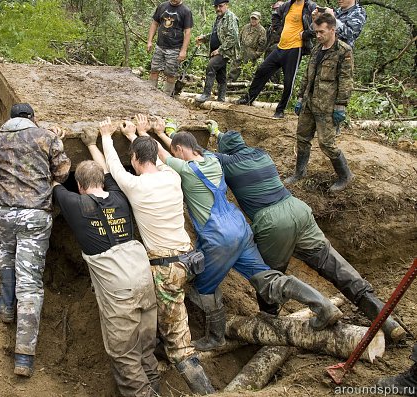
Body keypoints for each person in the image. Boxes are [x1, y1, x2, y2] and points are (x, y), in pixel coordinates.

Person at [150, 119, 343, 354]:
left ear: (180, 151)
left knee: (204, 287)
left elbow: (162, 154)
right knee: (267, 277)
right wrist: (166, 132)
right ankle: (322, 305)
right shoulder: (212, 160)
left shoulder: (188, 170)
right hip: (240, 229)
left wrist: (147, 134)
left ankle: (215, 337)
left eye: (177, 151)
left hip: (219, 237)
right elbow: (181, 149)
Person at [207, 123, 406, 342]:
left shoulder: (225, 161)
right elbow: (230, 142)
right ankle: (386, 320)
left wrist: (166, 133)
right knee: (334, 266)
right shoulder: (261, 154)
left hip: (273, 222)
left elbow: (197, 155)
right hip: (298, 209)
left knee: (270, 278)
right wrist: (217, 132)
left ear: (225, 151)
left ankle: (271, 325)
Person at [100, 116, 215, 395]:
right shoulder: (172, 176)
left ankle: (208, 392)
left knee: (179, 343)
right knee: (172, 314)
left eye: (134, 158)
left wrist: (106, 135)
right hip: (189, 260)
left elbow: (114, 167)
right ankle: (170, 338)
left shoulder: (135, 186)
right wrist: (136, 135)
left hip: (166, 270)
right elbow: (155, 159)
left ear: (136, 159)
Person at [53, 131, 159, 397]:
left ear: (78, 186)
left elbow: (52, 180)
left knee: (124, 355)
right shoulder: (120, 196)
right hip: (144, 278)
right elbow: (110, 171)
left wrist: (55, 141)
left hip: (118, 287)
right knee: (146, 348)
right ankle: (156, 386)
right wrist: (91, 144)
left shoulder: (75, 204)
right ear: (102, 181)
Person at [0, 103, 71, 377]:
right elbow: (62, 173)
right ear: (32, 118)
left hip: (3, 211)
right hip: (34, 214)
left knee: (6, 253)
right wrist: (53, 138)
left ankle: (7, 307)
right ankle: (24, 355)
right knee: (30, 280)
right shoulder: (46, 136)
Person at [284, 13, 354, 192]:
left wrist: (341, 105)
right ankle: (299, 172)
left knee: (327, 144)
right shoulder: (316, 49)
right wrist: (300, 98)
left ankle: (345, 176)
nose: (318, 35)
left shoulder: (343, 51)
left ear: (332, 30)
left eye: (321, 32)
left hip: (327, 106)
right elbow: (307, 77)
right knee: (302, 138)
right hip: (309, 102)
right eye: (316, 32)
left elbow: (346, 80)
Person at [237, 0, 317, 119]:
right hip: (281, 47)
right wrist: (280, 30)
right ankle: (249, 98)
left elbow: (321, 23)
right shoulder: (288, 4)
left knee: (288, 81)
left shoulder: (310, 6)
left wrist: (306, 34)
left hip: (295, 48)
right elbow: (275, 16)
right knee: (262, 70)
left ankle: (280, 110)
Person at [194, 0, 239, 103]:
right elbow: (216, 34)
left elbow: (233, 37)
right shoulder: (219, 17)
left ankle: (206, 95)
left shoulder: (230, 17)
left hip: (225, 51)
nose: (218, 8)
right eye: (216, 6)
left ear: (226, 5)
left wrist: (220, 50)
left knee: (211, 66)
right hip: (217, 50)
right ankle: (221, 99)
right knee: (221, 75)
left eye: (220, 6)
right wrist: (204, 38)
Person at [147, 0, 194, 96]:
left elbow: (187, 32)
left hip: (174, 48)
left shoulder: (186, 11)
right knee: (154, 70)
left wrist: (183, 50)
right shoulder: (162, 6)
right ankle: (150, 95)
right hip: (159, 45)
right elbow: (154, 24)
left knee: (170, 74)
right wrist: (149, 41)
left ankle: (166, 98)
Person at [228, 11, 266, 83]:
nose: (253, 20)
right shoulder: (246, 27)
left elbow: (262, 44)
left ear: (259, 20)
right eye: (252, 18)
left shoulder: (261, 30)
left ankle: (246, 84)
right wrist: (237, 48)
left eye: (255, 19)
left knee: (248, 68)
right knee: (236, 64)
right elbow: (239, 37)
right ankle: (230, 81)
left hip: (251, 51)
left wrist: (256, 54)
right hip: (242, 49)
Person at [264, 1, 285, 84]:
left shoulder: (285, 25)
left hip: (278, 51)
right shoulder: (271, 26)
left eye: (277, 9)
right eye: (274, 9)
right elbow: (267, 40)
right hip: (269, 51)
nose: (275, 12)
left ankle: (275, 86)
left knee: (275, 71)